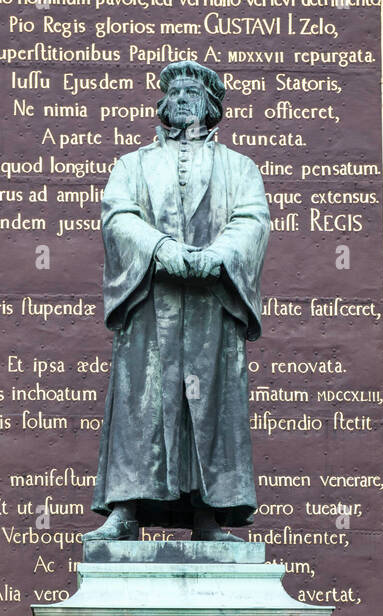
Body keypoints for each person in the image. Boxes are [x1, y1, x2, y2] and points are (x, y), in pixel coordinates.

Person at [88, 61, 270, 542]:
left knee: (213, 406)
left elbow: (252, 219)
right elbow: (118, 216)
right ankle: (125, 508)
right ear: (163, 104)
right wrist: (159, 249)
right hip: (152, 302)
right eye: (175, 92)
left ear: (212, 106)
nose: (183, 99)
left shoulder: (240, 167)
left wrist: (220, 256)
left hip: (212, 304)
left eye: (193, 91)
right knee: (141, 404)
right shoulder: (132, 164)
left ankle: (211, 515)